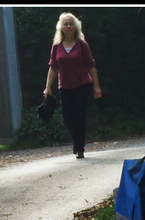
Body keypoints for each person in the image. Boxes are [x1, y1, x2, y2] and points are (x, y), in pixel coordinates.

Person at [43, 12, 101, 159]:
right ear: (61, 27)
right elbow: (53, 67)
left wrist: (96, 86)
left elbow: (91, 66)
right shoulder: (56, 46)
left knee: (80, 116)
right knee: (68, 118)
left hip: (82, 84)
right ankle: (77, 141)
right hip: (65, 86)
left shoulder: (82, 45)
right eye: (66, 24)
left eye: (71, 23)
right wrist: (48, 87)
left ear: (76, 27)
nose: (68, 26)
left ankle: (79, 147)